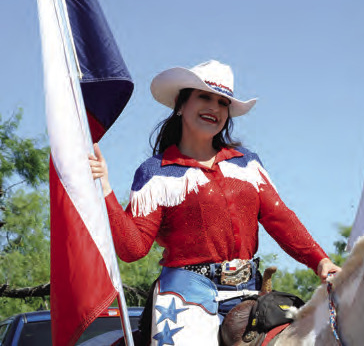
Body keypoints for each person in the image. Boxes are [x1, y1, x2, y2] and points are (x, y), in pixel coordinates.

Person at [89, 60, 340, 345]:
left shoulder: (247, 164)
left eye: (223, 103)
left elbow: (280, 219)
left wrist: (320, 260)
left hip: (251, 292)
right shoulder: (156, 172)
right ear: (181, 105)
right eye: (204, 97)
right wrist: (106, 189)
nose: (214, 108)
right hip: (185, 295)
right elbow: (132, 249)